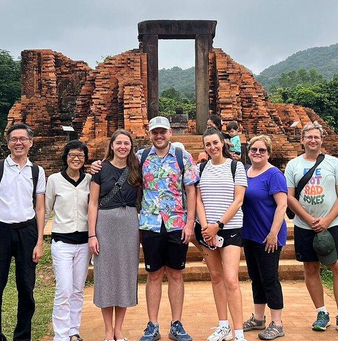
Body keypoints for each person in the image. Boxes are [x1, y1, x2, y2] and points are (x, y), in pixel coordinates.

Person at [284, 121, 338, 338]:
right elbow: (289, 196)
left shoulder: (334, 164)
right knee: (310, 268)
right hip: (303, 224)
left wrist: (327, 219)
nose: (313, 140)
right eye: (309, 137)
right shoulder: (293, 165)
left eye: (316, 137)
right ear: (302, 140)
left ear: (321, 140)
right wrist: (308, 219)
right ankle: (321, 312)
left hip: (332, 223)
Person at [137, 116, 198, 341]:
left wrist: (190, 222)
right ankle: (152, 325)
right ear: (150, 134)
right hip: (150, 224)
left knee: (175, 273)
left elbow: (191, 190)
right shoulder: (141, 157)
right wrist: (96, 165)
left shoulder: (183, 157)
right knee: (153, 274)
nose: (159, 136)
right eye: (155, 132)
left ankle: (176, 323)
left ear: (170, 133)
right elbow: (119, 168)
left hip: (176, 223)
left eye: (163, 132)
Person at [0, 123, 47, 341]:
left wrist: (39, 241)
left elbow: (40, 207)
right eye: (14, 139)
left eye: (23, 139)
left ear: (31, 142)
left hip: (27, 230)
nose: (18, 143)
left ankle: (22, 336)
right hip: (0, 229)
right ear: (8, 142)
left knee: (26, 287)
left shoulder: (37, 171)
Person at [88, 129, 142, 341]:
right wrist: (92, 235)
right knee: (105, 276)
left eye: (126, 143)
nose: (122, 147)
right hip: (105, 223)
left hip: (129, 222)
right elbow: (92, 203)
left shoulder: (136, 168)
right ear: (111, 145)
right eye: (118, 143)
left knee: (125, 275)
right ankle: (108, 330)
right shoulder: (100, 169)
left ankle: (119, 329)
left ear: (131, 147)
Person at [196, 128, 248, 341]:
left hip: (230, 228)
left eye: (215, 143)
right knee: (216, 277)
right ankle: (223, 325)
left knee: (231, 279)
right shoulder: (200, 168)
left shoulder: (236, 167)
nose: (212, 147)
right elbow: (198, 199)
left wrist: (218, 224)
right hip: (207, 230)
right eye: (208, 144)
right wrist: (206, 227)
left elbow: (239, 200)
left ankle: (238, 332)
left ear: (223, 143)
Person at [240, 135, 287, 340]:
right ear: (248, 151)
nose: (257, 153)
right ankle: (259, 318)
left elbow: (282, 205)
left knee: (269, 278)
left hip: (269, 236)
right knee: (255, 277)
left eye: (262, 150)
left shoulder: (274, 174)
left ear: (268, 153)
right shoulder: (245, 173)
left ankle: (277, 322)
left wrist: (273, 233)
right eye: (254, 150)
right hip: (250, 234)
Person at [46, 140, 92, 341]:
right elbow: (46, 210)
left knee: (77, 289)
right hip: (62, 242)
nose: (76, 159)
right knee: (64, 289)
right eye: (72, 155)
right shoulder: (55, 180)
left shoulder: (90, 180)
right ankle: (61, 335)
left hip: (84, 242)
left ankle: (73, 331)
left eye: (80, 156)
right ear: (65, 157)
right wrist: (38, 238)